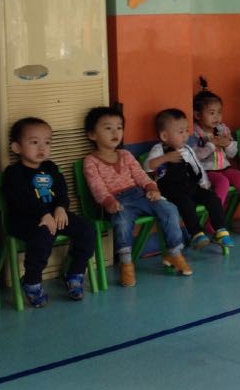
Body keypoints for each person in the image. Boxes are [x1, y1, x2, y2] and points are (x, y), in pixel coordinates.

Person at [82, 106, 191, 287]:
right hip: (116, 201)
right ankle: (126, 264)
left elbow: (140, 175)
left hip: (139, 194)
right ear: (92, 135)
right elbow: (97, 186)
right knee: (122, 220)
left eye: (119, 127)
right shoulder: (90, 161)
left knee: (169, 208)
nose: (115, 132)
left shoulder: (125, 154)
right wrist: (109, 202)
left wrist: (151, 188)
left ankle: (174, 252)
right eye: (108, 128)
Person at [0, 117, 97, 307]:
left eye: (47, 142)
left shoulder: (50, 167)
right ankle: (32, 281)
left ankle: (75, 273)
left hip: (53, 215)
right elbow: (22, 199)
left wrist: (61, 207)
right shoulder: (14, 173)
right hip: (25, 221)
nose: (42, 148)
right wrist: (43, 214)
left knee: (86, 229)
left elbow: (61, 190)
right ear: (17, 148)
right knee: (43, 235)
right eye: (34, 142)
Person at [144, 108, 234, 250]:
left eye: (186, 131)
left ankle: (220, 230)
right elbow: (147, 167)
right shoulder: (159, 149)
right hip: (171, 191)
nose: (185, 135)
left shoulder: (187, 149)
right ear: (164, 136)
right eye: (181, 132)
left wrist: (204, 183)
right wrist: (165, 158)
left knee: (212, 197)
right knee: (186, 203)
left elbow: (198, 167)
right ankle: (196, 234)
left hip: (189, 186)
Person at [191, 77, 240, 236]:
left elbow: (233, 153)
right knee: (222, 182)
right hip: (206, 171)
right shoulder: (194, 133)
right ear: (197, 115)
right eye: (211, 113)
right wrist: (210, 146)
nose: (217, 117)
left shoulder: (222, 129)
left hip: (225, 167)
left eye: (219, 112)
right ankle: (214, 222)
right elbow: (194, 157)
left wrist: (227, 144)